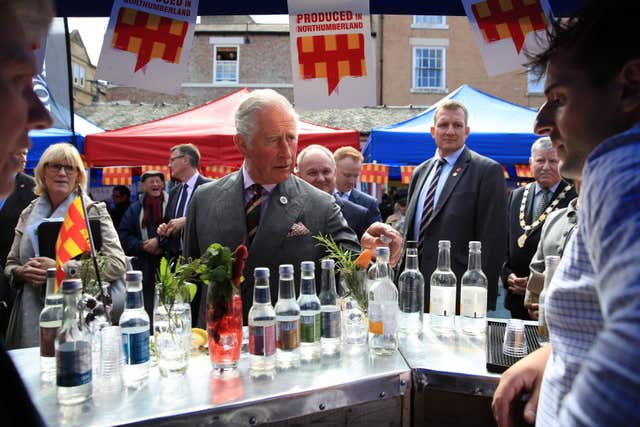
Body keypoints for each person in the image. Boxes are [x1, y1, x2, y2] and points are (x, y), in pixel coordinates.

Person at [492, 2, 640, 426]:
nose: (540, 123)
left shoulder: (622, 164)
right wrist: (555, 352)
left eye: (558, 98)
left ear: (629, 86)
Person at [184, 89, 361, 324]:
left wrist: (379, 252)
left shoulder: (320, 205)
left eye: (291, 138)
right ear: (242, 143)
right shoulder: (204, 199)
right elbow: (190, 283)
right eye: (273, 140)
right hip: (222, 346)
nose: (287, 153)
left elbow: (355, 268)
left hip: (289, 347)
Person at [4, 143, 127, 349]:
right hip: (29, 316)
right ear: (43, 171)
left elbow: (117, 263)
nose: (62, 173)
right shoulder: (28, 213)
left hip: (79, 315)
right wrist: (21, 272)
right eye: (55, 166)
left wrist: (61, 269)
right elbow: (10, 264)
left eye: (70, 168)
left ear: (78, 176)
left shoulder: (91, 211)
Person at [402, 99, 507, 312]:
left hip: (458, 291)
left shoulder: (486, 171)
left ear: (467, 131)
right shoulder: (420, 172)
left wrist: (478, 297)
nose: (450, 131)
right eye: (443, 125)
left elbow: (493, 239)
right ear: (433, 131)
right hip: (413, 287)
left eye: (457, 125)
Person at [501, 137, 576, 319]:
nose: (546, 166)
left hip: (548, 301)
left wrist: (534, 283)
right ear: (530, 163)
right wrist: (507, 274)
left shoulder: (572, 198)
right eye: (540, 160)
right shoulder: (517, 195)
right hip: (515, 296)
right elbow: (505, 240)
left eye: (553, 161)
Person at [525, 180, 580, 320]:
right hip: (544, 323)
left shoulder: (612, 224)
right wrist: (533, 301)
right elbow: (537, 267)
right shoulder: (553, 218)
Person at [118, 170, 167, 322]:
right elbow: (123, 235)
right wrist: (141, 245)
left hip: (168, 263)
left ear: (163, 185)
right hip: (144, 266)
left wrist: (159, 242)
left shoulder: (171, 204)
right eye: (151, 181)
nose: (155, 184)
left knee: (168, 304)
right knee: (146, 306)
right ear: (143, 186)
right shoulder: (135, 209)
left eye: (158, 181)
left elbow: (181, 231)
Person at [297, 144, 370, 239]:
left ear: (334, 173)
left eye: (326, 172)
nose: (321, 179)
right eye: (312, 173)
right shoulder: (287, 213)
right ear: (299, 176)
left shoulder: (358, 215)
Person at [0, 150, 36, 337]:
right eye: (17, 152)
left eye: (25, 153)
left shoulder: (32, 188)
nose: (24, 158)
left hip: (13, 282)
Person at [157, 143, 210, 260]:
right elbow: (168, 220)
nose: (169, 165)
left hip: (201, 258)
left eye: (172, 160)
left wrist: (187, 220)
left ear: (186, 159)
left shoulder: (210, 187)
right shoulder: (174, 192)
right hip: (176, 260)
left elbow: (217, 218)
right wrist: (163, 229)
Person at [333, 146, 382, 225]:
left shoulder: (369, 203)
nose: (352, 181)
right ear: (334, 170)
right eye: (347, 175)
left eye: (356, 176)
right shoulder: (321, 197)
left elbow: (376, 234)